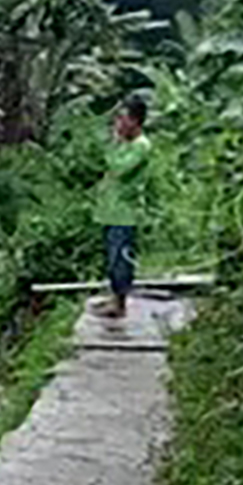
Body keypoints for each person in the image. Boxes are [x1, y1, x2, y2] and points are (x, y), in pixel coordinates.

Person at [93, 96, 152, 319]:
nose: (118, 123)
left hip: (125, 213)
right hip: (111, 211)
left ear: (135, 121)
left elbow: (118, 168)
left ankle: (120, 303)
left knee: (121, 260)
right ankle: (114, 298)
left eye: (123, 118)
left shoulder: (141, 147)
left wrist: (113, 143)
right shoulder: (126, 145)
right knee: (111, 258)